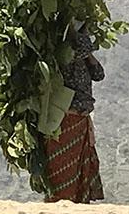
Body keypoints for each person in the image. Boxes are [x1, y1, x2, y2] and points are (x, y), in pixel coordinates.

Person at [44, 22, 105, 203]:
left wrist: (89, 55)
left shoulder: (84, 58)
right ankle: (60, 201)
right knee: (62, 166)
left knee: (77, 165)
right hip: (64, 117)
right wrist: (74, 32)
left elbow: (99, 74)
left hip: (80, 117)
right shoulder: (63, 54)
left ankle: (77, 201)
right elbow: (80, 48)